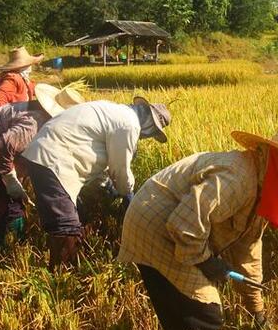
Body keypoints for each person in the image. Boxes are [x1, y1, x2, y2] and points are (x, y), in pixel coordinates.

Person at [119, 121, 278, 330]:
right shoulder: (238, 178)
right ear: (275, 155)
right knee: (205, 316)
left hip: (177, 230)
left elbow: (248, 250)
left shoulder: (264, 188)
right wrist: (206, 262)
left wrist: (257, 312)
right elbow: (183, 224)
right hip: (154, 225)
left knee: (189, 315)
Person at [20, 96, 170, 269]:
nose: (146, 136)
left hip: (46, 155)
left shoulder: (113, 111)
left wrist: (107, 186)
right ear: (150, 124)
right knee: (66, 227)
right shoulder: (129, 124)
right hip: (54, 160)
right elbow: (120, 168)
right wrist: (128, 195)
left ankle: (66, 271)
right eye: (151, 132)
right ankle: (63, 280)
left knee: (72, 218)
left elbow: (93, 152)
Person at [0, 84, 85, 247]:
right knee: (10, 210)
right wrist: (10, 178)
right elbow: (2, 146)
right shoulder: (36, 121)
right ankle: (8, 248)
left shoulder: (30, 108)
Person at [0, 46, 44, 114]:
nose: (30, 68)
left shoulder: (23, 78)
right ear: (24, 66)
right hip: (10, 120)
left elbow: (34, 88)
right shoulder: (12, 80)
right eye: (29, 65)